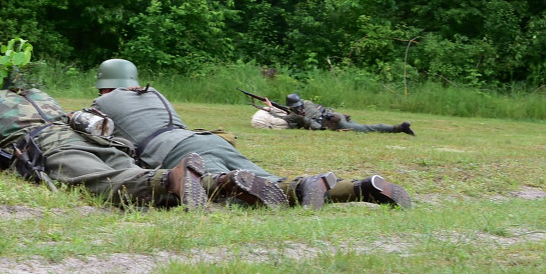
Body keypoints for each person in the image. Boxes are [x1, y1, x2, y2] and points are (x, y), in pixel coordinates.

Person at [90, 59, 412, 210]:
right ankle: (357, 188)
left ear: (105, 84)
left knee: (227, 189)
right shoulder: (154, 92)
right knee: (275, 183)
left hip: (171, 151)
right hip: (207, 138)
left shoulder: (100, 104)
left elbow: (101, 144)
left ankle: (311, 191)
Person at [0, 76, 286, 211]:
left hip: (49, 147)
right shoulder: (41, 94)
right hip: (92, 137)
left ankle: (172, 179)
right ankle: (222, 183)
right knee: (126, 172)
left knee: (105, 186)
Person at [255, 93, 415, 135]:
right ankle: (399, 128)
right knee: (362, 127)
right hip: (336, 115)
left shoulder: (296, 115)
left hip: (334, 123)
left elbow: (281, 118)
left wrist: (270, 108)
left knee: (367, 128)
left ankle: (399, 128)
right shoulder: (307, 103)